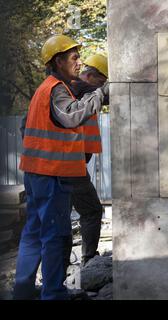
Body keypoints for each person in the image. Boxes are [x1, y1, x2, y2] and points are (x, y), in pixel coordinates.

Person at [14, 35, 109, 300]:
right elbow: (71, 116)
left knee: (33, 233)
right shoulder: (56, 89)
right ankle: (54, 293)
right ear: (58, 61)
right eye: (74, 58)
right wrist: (100, 93)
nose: (80, 63)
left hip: (36, 172)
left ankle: (22, 291)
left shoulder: (46, 88)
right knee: (55, 235)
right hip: (52, 174)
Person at [68, 54, 108, 267]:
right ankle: (89, 261)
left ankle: (58, 270)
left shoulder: (77, 90)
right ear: (90, 76)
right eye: (101, 82)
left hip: (69, 165)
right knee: (92, 210)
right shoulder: (75, 89)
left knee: (59, 217)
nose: (101, 89)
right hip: (68, 167)